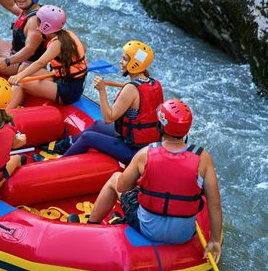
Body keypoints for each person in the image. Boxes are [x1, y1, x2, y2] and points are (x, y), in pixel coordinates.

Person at [84, 99, 222, 260]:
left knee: (115, 178)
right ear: (186, 130)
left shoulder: (145, 153)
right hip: (184, 234)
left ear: (160, 126)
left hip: (149, 228)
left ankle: (91, 226)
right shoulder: (203, 158)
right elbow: (215, 204)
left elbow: (122, 186)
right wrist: (215, 241)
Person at [58, 40, 163, 162]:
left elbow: (108, 118)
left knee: (88, 137)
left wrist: (102, 91)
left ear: (134, 64)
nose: (120, 62)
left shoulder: (131, 88)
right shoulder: (155, 83)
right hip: (143, 142)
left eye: (124, 59)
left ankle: (58, 162)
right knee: (97, 125)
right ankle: (61, 146)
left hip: (134, 151)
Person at [7, 5, 87, 107]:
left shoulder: (57, 43)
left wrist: (18, 77)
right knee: (23, 68)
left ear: (46, 26)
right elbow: (83, 49)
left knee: (22, 82)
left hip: (68, 90)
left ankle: (7, 112)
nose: (37, 27)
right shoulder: (69, 34)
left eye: (39, 23)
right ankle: (19, 101)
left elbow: (40, 63)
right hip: (65, 79)